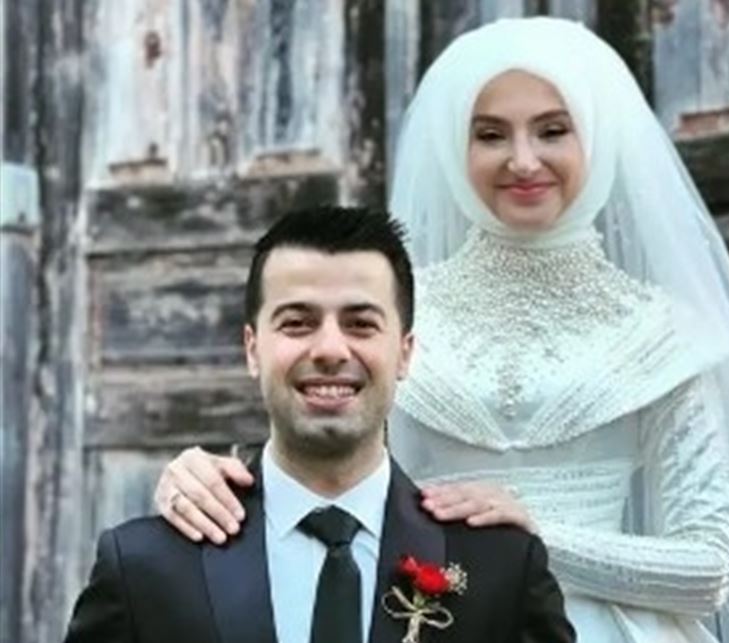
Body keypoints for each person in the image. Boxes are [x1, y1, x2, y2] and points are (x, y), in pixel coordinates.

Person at [154, 17, 729, 643]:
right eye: (490, 135)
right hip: (434, 621)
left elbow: (709, 567)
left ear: (597, 137)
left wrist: (536, 535)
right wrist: (205, 480)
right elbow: (322, 458)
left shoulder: (662, 333)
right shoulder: (390, 312)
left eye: (552, 130)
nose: (522, 160)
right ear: (456, 148)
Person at [64, 206, 575, 643]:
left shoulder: (501, 567)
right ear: (252, 349)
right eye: (297, 323)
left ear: (404, 353)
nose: (330, 349)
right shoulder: (144, 565)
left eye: (360, 324)